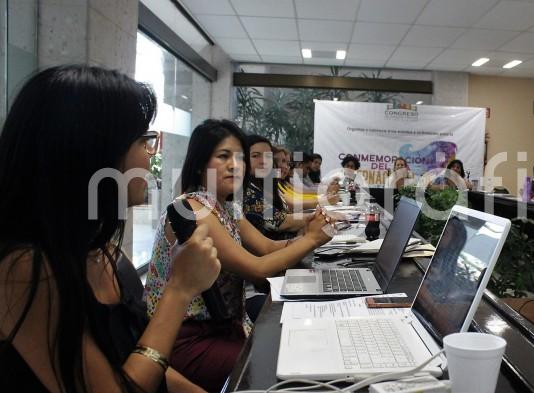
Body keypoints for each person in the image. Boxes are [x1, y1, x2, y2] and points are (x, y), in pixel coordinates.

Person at [0, 65, 218, 393]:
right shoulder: (23, 268)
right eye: (144, 141)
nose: (151, 157)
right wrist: (180, 289)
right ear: (91, 152)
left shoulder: (101, 250)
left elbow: (139, 359)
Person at [143, 119, 334, 391]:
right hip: (184, 337)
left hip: (222, 327)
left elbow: (267, 247)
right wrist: (311, 239)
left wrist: (306, 238)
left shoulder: (226, 206)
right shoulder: (193, 209)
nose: (236, 165)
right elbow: (257, 268)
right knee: (281, 370)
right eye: (223, 156)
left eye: (241, 158)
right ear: (199, 164)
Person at [243, 135, 311, 237]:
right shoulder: (248, 192)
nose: (264, 161)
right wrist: (322, 216)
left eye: (268, 156)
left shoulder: (267, 184)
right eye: (255, 156)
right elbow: (282, 221)